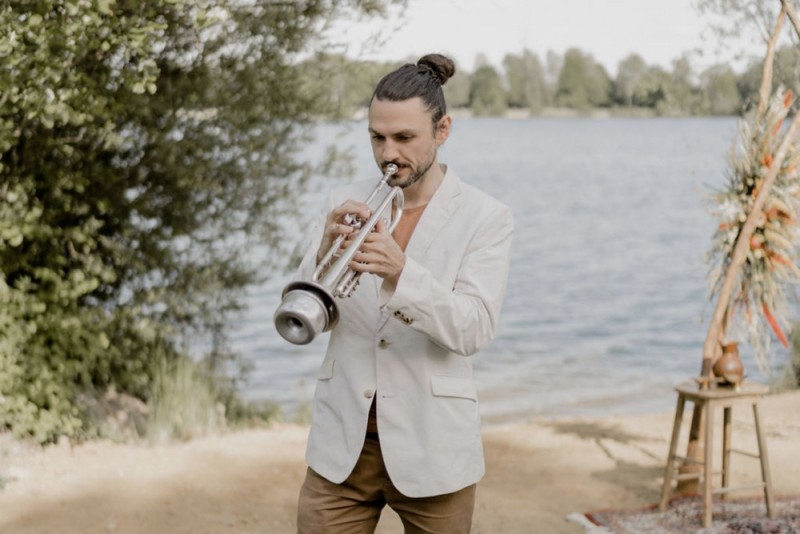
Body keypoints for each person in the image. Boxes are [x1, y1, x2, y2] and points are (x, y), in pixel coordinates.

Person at [294, 53, 514, 533]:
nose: (388, 154)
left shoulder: (486, 216)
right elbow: (305, 314)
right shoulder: (341, 202)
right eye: (377, 137)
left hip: (433, 447)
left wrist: (401, 275)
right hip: (342, 449)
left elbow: (473, 328)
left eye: (404, 138)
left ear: (443, 130)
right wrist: (323, 257)